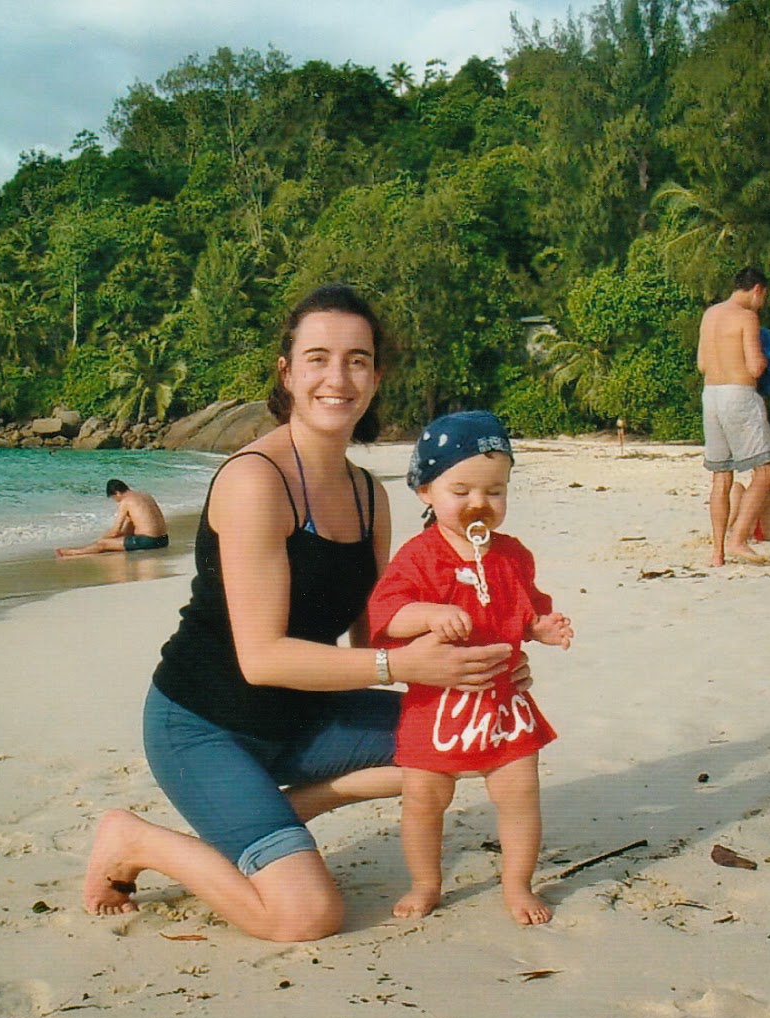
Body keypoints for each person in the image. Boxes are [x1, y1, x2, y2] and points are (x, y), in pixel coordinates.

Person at [81, 284, 520, 942]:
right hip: (206, 727)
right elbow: (262, 659)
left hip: (306, 717)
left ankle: (284, 811)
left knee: (475, 736)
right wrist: (399, 661)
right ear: (287, 373)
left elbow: (374, 632)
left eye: (357, 360)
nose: (337, 378)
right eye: (318, 358)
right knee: (305, 915)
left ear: (375, 376)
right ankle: (131, 839)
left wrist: (472, 659)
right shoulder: (257, 480)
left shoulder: (369, 496)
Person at [367, 411, 573, 926]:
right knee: (423, 797)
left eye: (495, 491)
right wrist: (430, 613)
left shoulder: (512, 555)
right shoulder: (419, 557)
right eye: (461, 491)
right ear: (425, 491)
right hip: (436, 702)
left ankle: (518, 883)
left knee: (519, 792)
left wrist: (541, 628)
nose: (480, 503)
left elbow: (526, 610)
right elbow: (387, 615)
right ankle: (426, 882)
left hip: (502, 701)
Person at [698, 267, 770, 566]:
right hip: (738, 395)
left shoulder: (710, 315)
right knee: (767, 471)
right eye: (764, 297)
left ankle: (717, 552)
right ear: (757, 289)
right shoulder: (747, 317)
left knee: (721, 475)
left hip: (711, 394)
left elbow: (703, 363)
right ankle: (738, 539)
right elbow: (755, 366)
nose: (762, 303)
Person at [55, 479, 168, 558]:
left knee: (103, 544)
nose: (116, 501)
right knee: (113, 542)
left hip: (149, 542)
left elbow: (115, 531)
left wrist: (99, 540)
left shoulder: (125, 501)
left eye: (114, 498)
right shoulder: (145, 495)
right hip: (163, 540)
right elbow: (128, 530)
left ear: (117, 493)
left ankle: (73, 553)